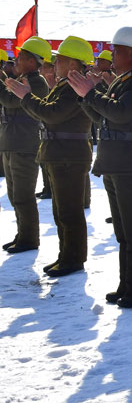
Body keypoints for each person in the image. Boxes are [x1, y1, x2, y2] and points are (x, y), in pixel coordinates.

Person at [71, 27, 132, 308]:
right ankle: (128, 283)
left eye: (117, 50)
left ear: (130, 53)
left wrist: (91, 94)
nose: (112, 55)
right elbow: (103, 117)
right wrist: (85, 96)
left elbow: (119, 112)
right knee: (124, 232)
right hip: (119, 161)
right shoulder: (125, 80)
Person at [7, 36, 94, 277]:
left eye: (61, 60)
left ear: (74, 65)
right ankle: (66, 255)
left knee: (69, 211)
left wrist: (26, 96)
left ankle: (73, 258)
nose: (55, 64)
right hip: (61, 154)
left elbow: (51, 114)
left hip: (69, 156)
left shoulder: (73, 87)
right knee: (61, 210)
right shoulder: (65, 85)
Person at [0, 37, 51, 253]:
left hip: (24, 144)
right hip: (12, 142)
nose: (16, 60)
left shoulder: (37, 82)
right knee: (14, 195)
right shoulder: (23, 78)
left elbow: (11, 100)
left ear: (32, 61)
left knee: (23, 195)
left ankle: (29, 238)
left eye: (21, 56)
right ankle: (22, 234)